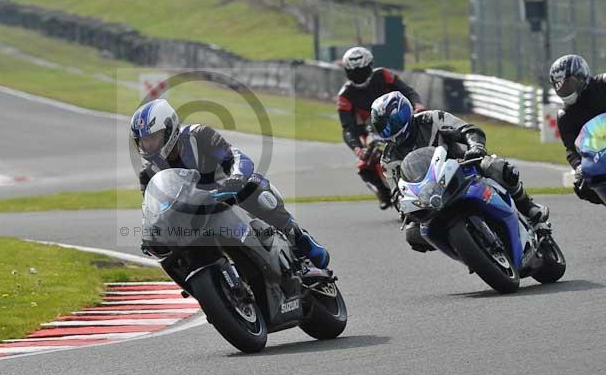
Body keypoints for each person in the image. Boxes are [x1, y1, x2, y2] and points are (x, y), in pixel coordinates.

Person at [131, 98, 331, 269]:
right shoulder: (148, 174)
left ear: (169, 129)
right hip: (195, 213)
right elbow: (153, 211)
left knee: (256, 189)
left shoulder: (199, 135)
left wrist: (234, 180)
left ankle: (298, 236)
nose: (148, 146)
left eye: (153, 139)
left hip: (228, 193)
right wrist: (152, 233)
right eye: (143, 141)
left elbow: (237, 158)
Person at [370, 91, 549, 227]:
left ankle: (528, 207)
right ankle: (465, 249)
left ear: (406, 111)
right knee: (412, 232)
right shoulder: (388, 158)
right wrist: (404, 209)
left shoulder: (431, 119)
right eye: (385, 127)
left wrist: (476, 147)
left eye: (394, 122)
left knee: (497, 167)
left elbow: (467, 130)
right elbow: (396, 193)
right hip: (430, 196)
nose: (391, 129)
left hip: (461, 169)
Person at [336, 46, 426, 209]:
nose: (358, 75)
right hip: (370, 130)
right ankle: (382, 191)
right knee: (363, 166)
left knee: (425, 135)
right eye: (354, 72)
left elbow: (407, 91)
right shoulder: (345, 95)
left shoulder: (383, 75)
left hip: (399, 117)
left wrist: (417, 105)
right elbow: (347, 127)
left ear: (370, 66)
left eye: (362, 70)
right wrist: (357, 148)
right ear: (347, 72)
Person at [550, 54, 606, 205]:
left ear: (581, 75)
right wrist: (578, 166)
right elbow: (570, 149)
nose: (564, 89)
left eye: (568, 84)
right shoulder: (565, 116)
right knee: (582, 187)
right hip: (599, 156)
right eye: (560, 86)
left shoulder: (602, 83)